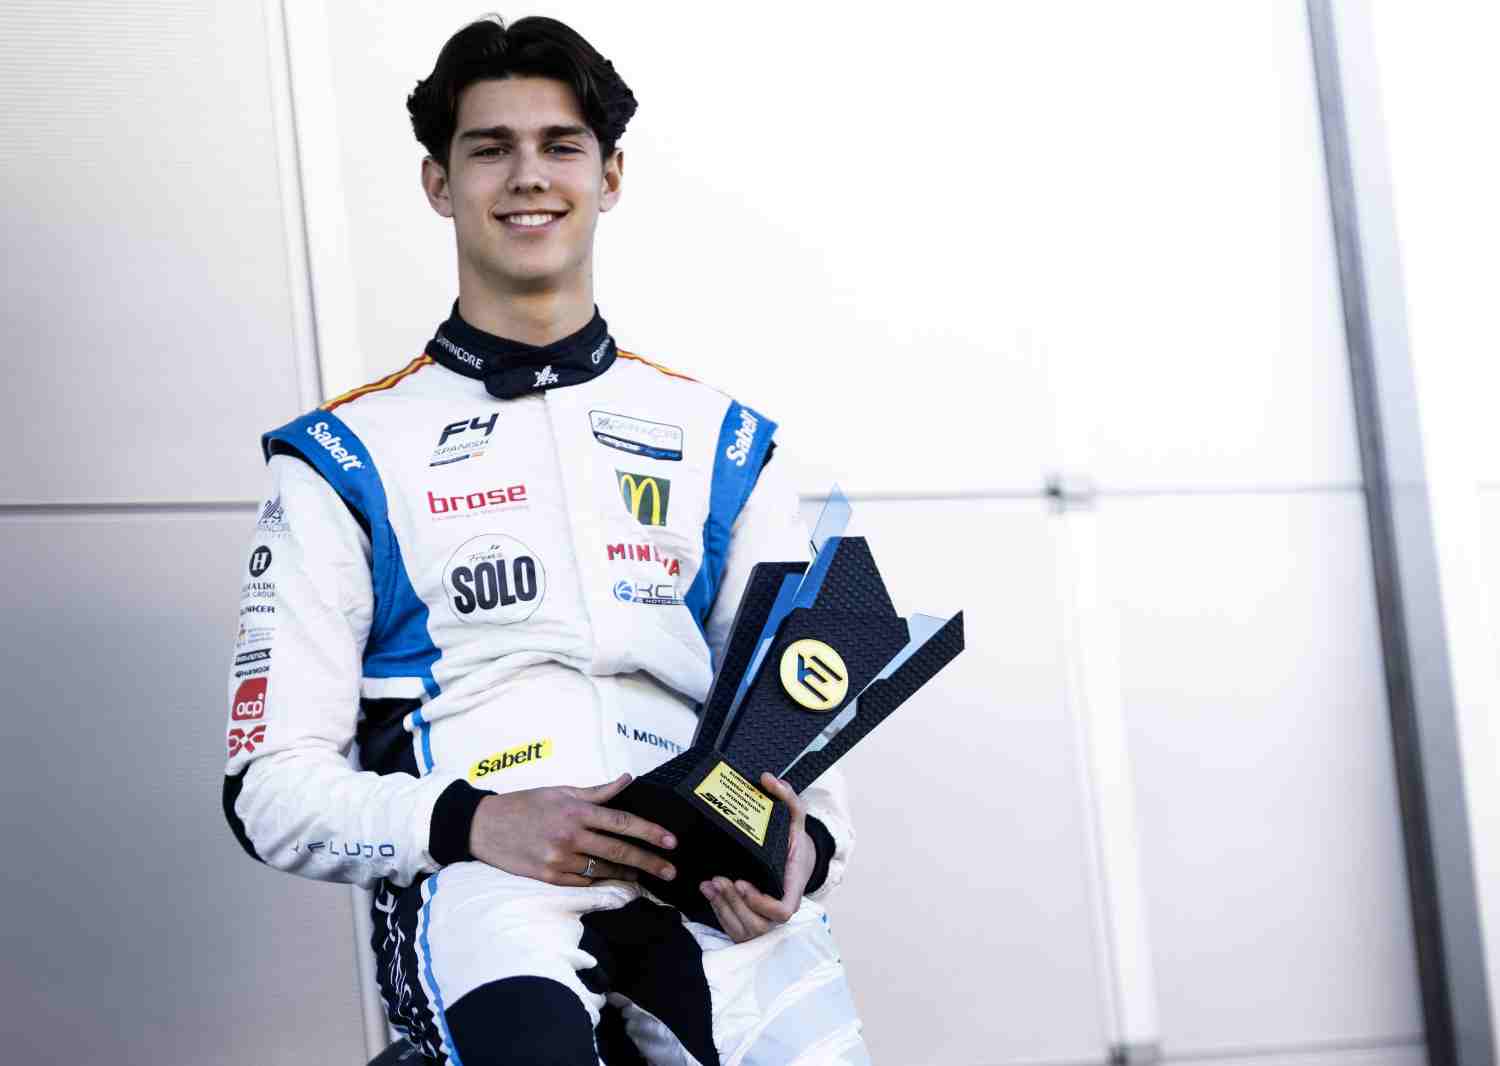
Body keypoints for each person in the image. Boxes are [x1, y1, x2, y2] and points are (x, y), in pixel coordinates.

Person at [221, 15, 867, 1065]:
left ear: (609, 177)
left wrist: (808, 848)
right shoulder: (342, 457)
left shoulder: (723, 440)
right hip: (490, 886)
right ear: (439, 183)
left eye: (561, 145)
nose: (529, 176)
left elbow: (801, 717)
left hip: (709, 888)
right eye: (491, 148)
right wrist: (472, 822)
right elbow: (266, 788)